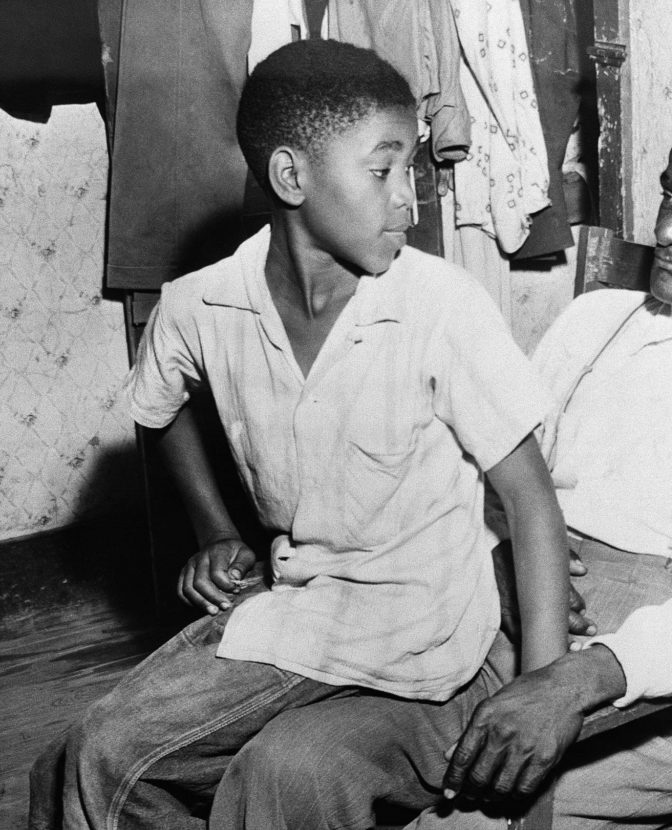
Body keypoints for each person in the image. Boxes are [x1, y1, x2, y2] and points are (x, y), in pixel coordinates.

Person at [208, 107, 672, 829]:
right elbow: (478, 478)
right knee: (289, 767)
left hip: (654, 701)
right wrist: (495, 563)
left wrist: (575, 680)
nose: (671, 227)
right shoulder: (595, 322)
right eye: (670, 193)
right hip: (492, 634)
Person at [28, 40, 569, 830]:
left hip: (415, 621)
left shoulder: (439, 306)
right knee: (82, 756)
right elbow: (159, 408)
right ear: (291, 176)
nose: (406, 204)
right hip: (297, 603)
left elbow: (530, 505)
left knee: (110, 754)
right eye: (382, 172)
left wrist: (544, 696)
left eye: (411, 172)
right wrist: (213, 529)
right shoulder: (199, 305)